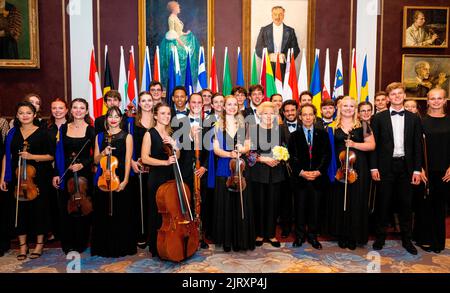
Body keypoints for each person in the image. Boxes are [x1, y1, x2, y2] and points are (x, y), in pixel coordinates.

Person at [370, 82, 422, 255]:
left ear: (404, 96)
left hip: (406, 167)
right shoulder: (378, 118)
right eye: (393, 94)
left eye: (400, 94)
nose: (397, 97)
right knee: (383, 204)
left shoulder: (414, 118)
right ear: (388, 98)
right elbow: (374, 145)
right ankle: (380, 237)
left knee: (406, 205)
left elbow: (417, 146)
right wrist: (374, 167)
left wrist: (416, 169)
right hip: (385, 166)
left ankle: (407, 239)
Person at [1, 101, 54, 260]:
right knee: (19, 211)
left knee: (39, 211)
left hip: (39, 178)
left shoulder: (43, 133)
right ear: (17, 115)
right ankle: (22, 246)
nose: (25, 115)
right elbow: (6, 156)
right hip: (17, 178)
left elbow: (50, 156)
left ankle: (39, 245)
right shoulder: (12, 133)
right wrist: (3, 177)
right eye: (21, 113)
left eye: (28, 113)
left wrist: (31, 157)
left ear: (34, 115)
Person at [330, 97, 375, 250]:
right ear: (339, 107)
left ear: (355, 108)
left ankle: (354, 236)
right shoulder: (332, 127)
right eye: (345, 106)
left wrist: (355, 144)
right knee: (340, 201)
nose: (348, 108)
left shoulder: (363, 125)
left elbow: (371, 145)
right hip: (340, 169)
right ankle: (341, 234)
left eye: (351, 106)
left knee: (356, 201)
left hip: (358, 169)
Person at [211, 95, 255, 252]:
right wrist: (229, 154)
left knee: (240, 203)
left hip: (240, 167)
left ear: (238, 106)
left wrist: (241, 150)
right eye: (228, 104)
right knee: (226, 204)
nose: (231, 107)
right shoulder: (217, 125)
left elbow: (248, 146)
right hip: (224, 167)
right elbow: (215, 149)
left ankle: (240, 240)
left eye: (234, 104)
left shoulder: (244, 125)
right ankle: (227, 241)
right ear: (223, 106)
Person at [91, 106, 135, 257]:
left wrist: (125, 181)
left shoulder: (127, 136)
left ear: (121, 119)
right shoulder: (99, 137)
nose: (113, 119)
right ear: (106, 119)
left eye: (117, 116)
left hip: (120, 177)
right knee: (103, 214)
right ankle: (104, 247)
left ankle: (121, 247)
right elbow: (96, 160)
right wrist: (103, 153)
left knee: (121, 213)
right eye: (110, 116)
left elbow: (128, 160)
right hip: (103, 178)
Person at [52, 98, 95, 254]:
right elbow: (58, 153)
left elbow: (95, 155)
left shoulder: (91, 129)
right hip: (66, 172)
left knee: (83, 209)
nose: (78, 110)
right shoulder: (63, 128)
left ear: (86, 111)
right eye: (75, 107)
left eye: (81, 108)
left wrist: (83, 164)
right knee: (67, 208)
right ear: (70, 110)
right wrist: (57, 173)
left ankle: (81, 241)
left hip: (84, 174)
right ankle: (68, 242)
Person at [288, 104, 331, 250]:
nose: (307, 117)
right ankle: (299, 236)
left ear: (314, 116)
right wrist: (301, 172)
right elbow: (291, 157)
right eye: (304, 115)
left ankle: (313, 236)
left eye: (310, 114)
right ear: (300, 117)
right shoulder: (294, 136)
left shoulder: (323, 134)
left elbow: (327, 155)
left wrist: (318, 172)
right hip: (300, 179)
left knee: (315, 209)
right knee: (299, 209)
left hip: (318, 178)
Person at [140, 102, 179, 257]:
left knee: (171, 210)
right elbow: (144, 158)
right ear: (155, 116)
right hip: (157, 177)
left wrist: (175, 145)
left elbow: (178, 157)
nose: (166, 116)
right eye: (162, 113)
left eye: (168, 114)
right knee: (157, 211)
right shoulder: (149, 133)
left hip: (171, 175)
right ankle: (157, 246)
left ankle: (170, 241)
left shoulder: (171, 133)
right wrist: (164, 162)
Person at [414, 88, 450, 253]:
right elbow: (415, 147)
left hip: (445, 172)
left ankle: (438, 241)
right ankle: (424, 239)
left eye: (439, 98)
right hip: (425, 170)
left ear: (444, 101)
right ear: (427, 101)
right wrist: (418, 167)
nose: (436, 101)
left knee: (440, 206)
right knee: (424, 205)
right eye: (432, 98)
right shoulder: (420, 121)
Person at [248, 102, 286, 248]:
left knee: (273, 204)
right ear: (259, 114)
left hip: (276, 172)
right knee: (259, 204)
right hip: (258, 172)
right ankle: (259, 234)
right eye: (265, 113)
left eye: (271, 113)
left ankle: (270, 234)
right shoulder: (253, 130)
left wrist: (281, 156)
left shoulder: (280, 129)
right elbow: (249, 153)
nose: (268, 116)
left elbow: (287, 147)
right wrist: (263, 159)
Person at [129, 91, 154, 249]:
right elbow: (128, 144)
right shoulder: (132, 122)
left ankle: (154, 233)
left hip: (155, 167)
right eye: (143, 101)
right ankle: (141, 234)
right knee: (139, 202)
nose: (146, 103)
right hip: (138, 168)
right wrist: (131, 162)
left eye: (149, 100)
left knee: (154, 201)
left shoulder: (158, 119)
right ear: (139, 103)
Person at [160, 1, 199, 88]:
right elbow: (172, 33)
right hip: (174, 42)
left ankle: (184, 82)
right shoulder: (171, 18)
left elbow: (179, 32)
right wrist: (182, 45)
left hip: (179, 38)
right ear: (174, 8)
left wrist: (186, 33)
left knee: (192, 38)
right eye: (178, 7)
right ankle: (178, 83)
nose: (179, 8)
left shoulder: (176, 17)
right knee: (179, 59)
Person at [255, 6, 300, 79]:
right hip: (268, 67)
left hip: (285, 68)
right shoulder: (264, 30)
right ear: (272, 15)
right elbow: (258, 49)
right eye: (275, 14)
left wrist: (285, 57)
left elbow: (296, 49)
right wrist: (269, 56)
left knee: (283, 90)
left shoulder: (290, 31)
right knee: (269, 89)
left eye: (280, 14)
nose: (277, 17)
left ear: (283, 15)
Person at [46, 98, 69, 242]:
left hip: (67, 167)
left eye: (60, 108)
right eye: (54, 108)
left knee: (66, 200)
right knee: (53, 202)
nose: (57, 111)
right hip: (50, 168)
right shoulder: (47, 129)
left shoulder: (72, 126)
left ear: (67, 110)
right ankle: (55, 230)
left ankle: (67, 230)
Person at [279, 100, 300, 237]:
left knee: (300, 200)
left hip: (302, 170)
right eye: (287, 111)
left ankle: (300, 229)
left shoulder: (305, 124)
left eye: (292, 110)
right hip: (285, 170)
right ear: (283, 112)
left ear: (297, 110)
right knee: (285, 200)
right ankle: (286, 228)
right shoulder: (279, 127)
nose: (290, 113)